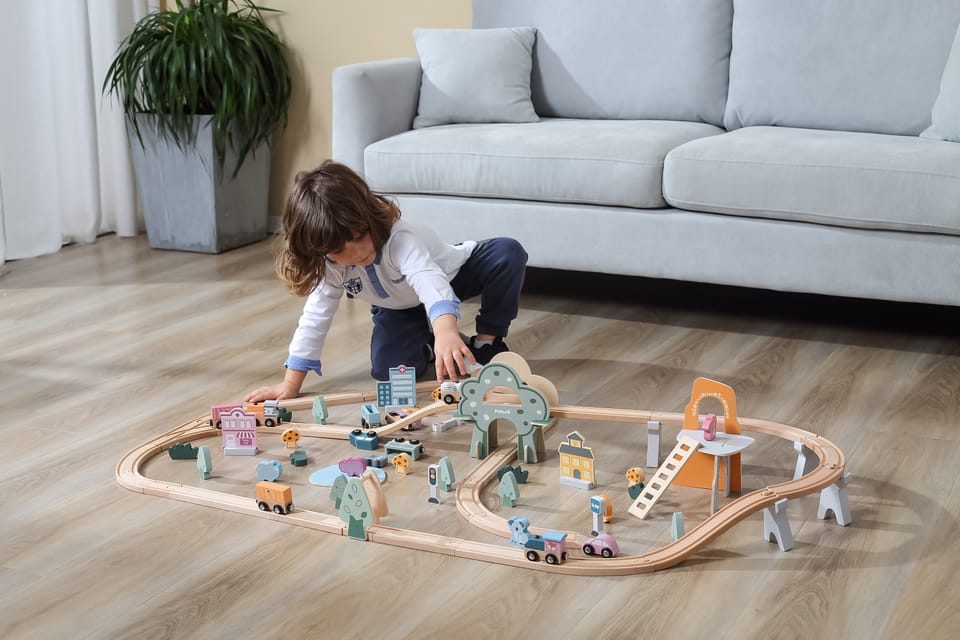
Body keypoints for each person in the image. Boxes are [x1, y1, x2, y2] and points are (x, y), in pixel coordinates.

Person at [245, 160, 527, 402]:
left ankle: (486, 342)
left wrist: (446, 331)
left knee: (507, 253)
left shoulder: (399, 238)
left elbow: (429, 281)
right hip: (399, 307)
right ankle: (427, 342)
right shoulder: (329, 264)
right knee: (389, 372)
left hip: (452, 278)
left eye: (359, 235)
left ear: (368, 216)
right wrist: (290, 384)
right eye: (339, 249)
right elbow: (315, 318)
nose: (357, 252)